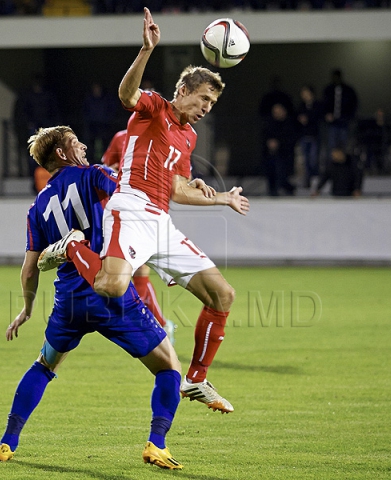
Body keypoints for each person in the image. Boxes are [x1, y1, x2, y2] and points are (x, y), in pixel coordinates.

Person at [39, 8, 249, 414]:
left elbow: (177, 189)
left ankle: (197, 380)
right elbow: (126, 95)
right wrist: (146, 50)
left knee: (222, 295)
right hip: (131, 208)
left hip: (160, 221)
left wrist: (218, 197)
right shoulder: (155, 108)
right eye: (204, 98)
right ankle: (71, 248)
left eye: (213, 102)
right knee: (112, 287)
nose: (207, 107)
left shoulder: (188, 136)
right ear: (184, 89)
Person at [0, 126, 183, 470]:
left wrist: (27, 308)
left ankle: (7, 441)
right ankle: (157, 444)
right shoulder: (92, 175)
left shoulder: (37, 206)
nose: (82, 145)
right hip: (110, 292)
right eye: (75, 142)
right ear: (62, 154)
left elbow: (30, 267)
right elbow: (135, 200)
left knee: (44, 364)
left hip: (69, 303)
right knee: (169, 367)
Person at [100, 128, 177, 344]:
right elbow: (106, 166)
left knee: (140, 268)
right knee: (126, 271)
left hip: (149, 208)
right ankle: (157, 324)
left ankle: (158, 325)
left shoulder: (166, 137)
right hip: (121, 206)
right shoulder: (121, 137)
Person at [262, 102, 297, 196]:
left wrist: (279, 143)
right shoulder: (269, 123)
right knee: (271, 171)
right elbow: (264, 136)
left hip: (285, 154)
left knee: (281, 173)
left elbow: (290, 138)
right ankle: (272, 190)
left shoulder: (289, 123)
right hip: (271, 155)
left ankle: (288, 188)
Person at [323, 69, 358, 153]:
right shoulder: (328, 90)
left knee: (344, 146)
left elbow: (354, 105)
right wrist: (327, 114)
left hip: (344, 123)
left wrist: (348, 117)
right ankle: (333, 164)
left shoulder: (348, 91)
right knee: (332, 147)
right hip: (332, 124)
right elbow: (324, 104)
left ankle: (343, 164)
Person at [296, 85, 322, 189]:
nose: (304, 96)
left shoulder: (317, 105)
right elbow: (297, 118)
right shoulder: (301, 106)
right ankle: (307, 181)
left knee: (313, 159)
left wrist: (308, 119)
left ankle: (315, 179)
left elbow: (318, 117)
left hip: (314, 136)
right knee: (305, 160)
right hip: (304, 136)